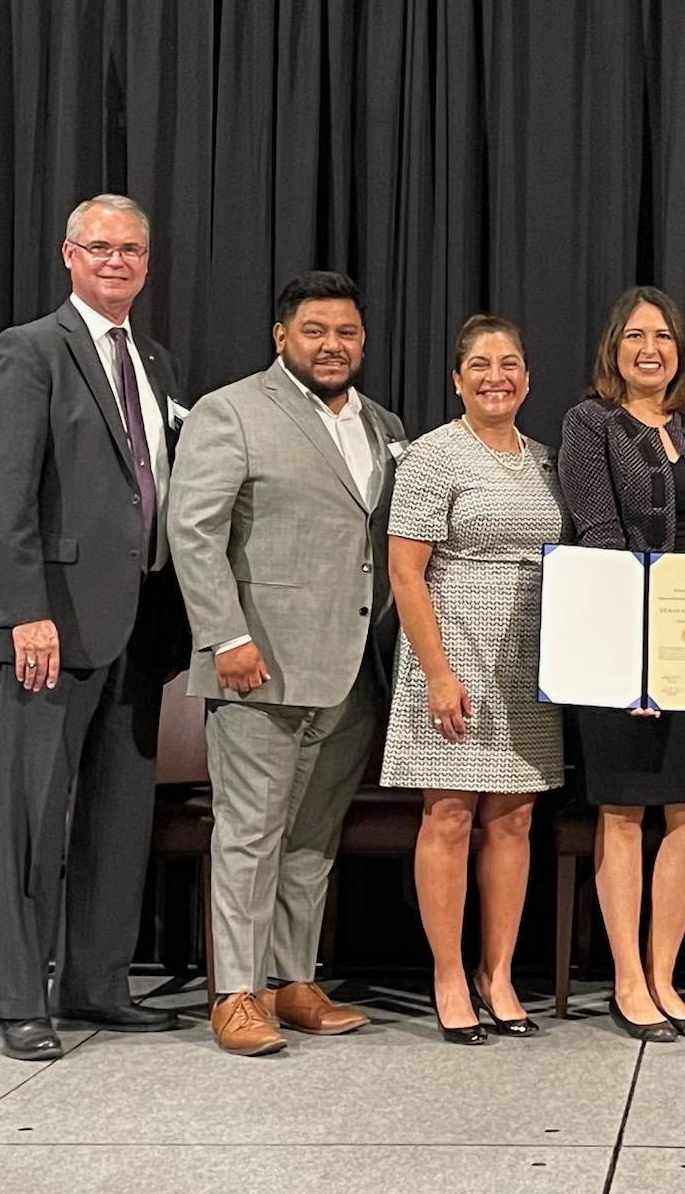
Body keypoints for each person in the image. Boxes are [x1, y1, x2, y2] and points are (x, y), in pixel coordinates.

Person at [167, 271, 406, 1056]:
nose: (331, 346)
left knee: (312, 836)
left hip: (352, 672)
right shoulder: (229, 410)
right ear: (282, 337)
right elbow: (194, 530)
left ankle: (293, 981)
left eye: (345, 333)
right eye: (314, 331)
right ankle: (236, 992)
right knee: (248, 831)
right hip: (258, 667)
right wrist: (224, 638)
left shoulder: (383, 425)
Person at [0, 194, 190, 1060]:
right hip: (52, 629)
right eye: (99, 247)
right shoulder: (29, 351)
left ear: (147, 261)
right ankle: (19, 1001)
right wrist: (25, 611)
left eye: (131, 249)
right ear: (68, 254)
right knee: (33, 820)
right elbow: (3, 495)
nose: (116, 261)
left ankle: (97, 987)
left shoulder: (158, 361)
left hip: (140, 626)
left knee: (115, 823)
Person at [383, 315, 565, 1044]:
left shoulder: (548, 459)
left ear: (527, 376)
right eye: (482, 364)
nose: (498, 375)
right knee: (451, 815)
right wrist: (436, 672)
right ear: (457, 378)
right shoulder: (432, 456)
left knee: (515, 819)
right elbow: (405, 569)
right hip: (453, 649)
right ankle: (450, 975)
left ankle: (498, 974)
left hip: (529, 660)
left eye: (511, 362)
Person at [558, 287, 685, 1042]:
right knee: (623, 811)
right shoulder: (589, 422)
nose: (649, 349)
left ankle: (665, 977)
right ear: (613, 350)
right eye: (633, 337)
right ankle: (628, 981)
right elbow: (598, 534)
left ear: (679, 349)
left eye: (662, 335)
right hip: (619, 639)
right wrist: (635, 665)